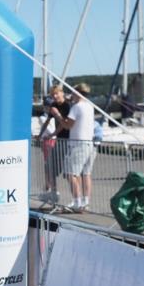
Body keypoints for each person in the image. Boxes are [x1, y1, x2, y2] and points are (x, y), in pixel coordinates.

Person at [58, 83, 96, 212]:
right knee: (86, 174)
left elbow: (67, 125)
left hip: (78, 144)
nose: (71, 95)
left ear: (77, 93)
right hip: (89, 143)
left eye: (73, 92)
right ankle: (85, 202)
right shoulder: (89, 106)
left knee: (70, 174)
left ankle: (76, 202)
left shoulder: (76, 107)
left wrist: (58, 115)